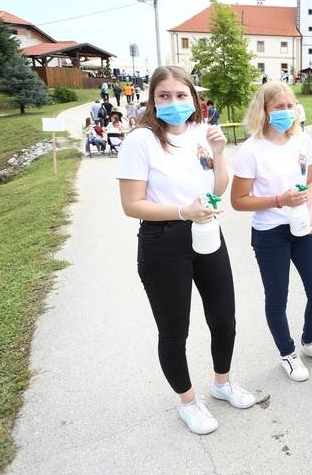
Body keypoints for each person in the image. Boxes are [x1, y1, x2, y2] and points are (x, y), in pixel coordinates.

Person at [116, 65, 255, 435]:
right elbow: (132, 205)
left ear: (193, 99)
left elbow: (218, 187)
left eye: (181, 95)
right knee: (175, 330)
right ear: (153, 99)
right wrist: (183, 211)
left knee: (224, 319)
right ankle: (189, 402)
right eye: (165, 95)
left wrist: (220, 153)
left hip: (207, 232)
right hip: (163, 241)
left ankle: (222, 384)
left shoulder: (200, 134)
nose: (174, 102)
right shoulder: (140, 140)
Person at [231, 81, 312, 383]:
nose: (287, 112)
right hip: (269, 233)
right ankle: (287, 353)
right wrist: (279, 200)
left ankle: (310, 340)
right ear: (263, 111)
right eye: (279, 107)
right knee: (277, 298)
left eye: (290, 106)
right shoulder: (250, 150)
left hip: (303, 227)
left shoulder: (302, 141)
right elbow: (238, 201)